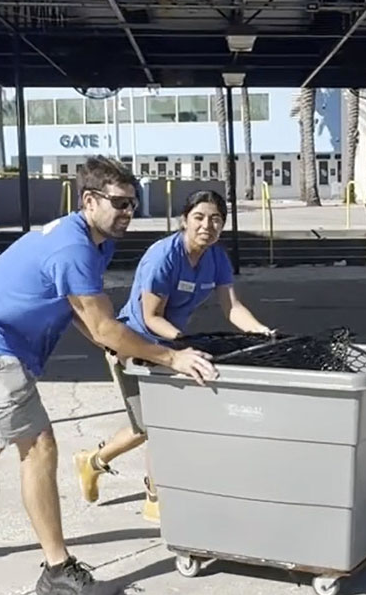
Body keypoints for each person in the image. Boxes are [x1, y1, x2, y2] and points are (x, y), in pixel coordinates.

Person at [0, 156, 218, 595]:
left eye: (133, 204)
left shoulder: (93, 241)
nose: (128, 212)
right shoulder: (74, 248)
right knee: (39, 444)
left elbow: (80, 312)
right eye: (120, 203)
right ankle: (58, 570)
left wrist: (113, 346)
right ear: (89, 200)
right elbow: (102, 325)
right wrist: (170, 357)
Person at [76, 188, 277, 522]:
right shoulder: (163, 256)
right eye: (198, 217)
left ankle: (94, 462)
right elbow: (152, 315)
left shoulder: (216, 257)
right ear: (184, 220)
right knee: (152, 426)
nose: (207, 226)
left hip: (172, 346)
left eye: (215, 219)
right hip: (134, 343)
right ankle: (154, 495)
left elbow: (232, 307)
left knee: (153, 425)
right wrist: (184, 342)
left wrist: (262, 332)